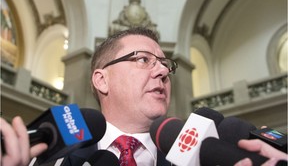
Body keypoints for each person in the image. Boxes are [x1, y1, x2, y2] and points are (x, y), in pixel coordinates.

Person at [0, 27, 287, 166]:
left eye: (165, 64)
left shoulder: (204, 154)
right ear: (101, 79)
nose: (162, 70)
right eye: (143, 59)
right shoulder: (50, 158)